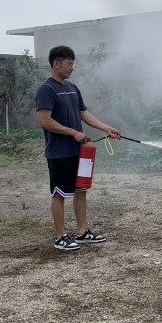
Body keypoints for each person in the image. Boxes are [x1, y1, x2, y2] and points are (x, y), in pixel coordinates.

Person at [35, 45, 121, 251]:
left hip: (79, 152)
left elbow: (84, 114)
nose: (72, 68)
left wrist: (107, 128)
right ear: (56, 64)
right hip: (59, 152)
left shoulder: (72, 88)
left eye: (72, 63)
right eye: (69, 63)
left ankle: (82, 233)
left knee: (81, 190)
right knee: (60, 193)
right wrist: (73, 132)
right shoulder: (46, 89)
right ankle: (60, 237)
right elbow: (45, 121)